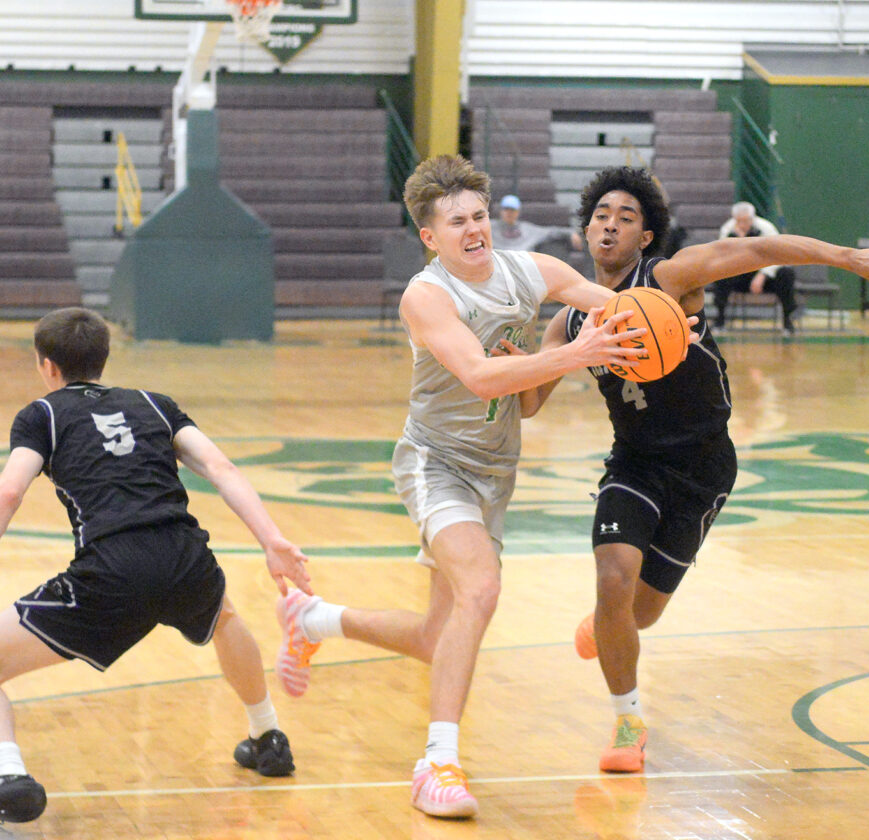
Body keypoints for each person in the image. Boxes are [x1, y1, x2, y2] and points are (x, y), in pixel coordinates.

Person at [271, 155, 646, 820]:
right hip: (435, 464)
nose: (473, 229)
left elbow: (616, 304)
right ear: (430, 236)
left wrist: (667, 320)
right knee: (481, 589)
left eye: (478, 216)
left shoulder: (532, 271)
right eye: (456, 222)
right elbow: (478, 375)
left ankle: (313, 618)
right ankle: (436, 764)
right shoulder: (427, 296)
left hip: (495, 474)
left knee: (433, 637)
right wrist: (573, 354)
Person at [522, 166, 869, 774]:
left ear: (646, 237)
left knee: (641, 612)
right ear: (586, 229)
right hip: (634, 462)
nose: (611, 225)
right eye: (601, 216)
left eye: (626, 217)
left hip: (704, 464)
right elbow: (527, 403)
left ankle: (607, 625)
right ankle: (627, 721)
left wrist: (842, 256)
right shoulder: (569, 321)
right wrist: (511, 364)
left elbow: (757, 250)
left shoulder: (668, 279)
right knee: (613, 576)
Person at [0, 308, 312, 823]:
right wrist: (272, 539)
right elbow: (220, 467)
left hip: (112, 568)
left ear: (47, 365)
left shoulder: (41, 415)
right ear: (103, 358)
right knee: (224, 619)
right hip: (185, 554)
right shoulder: (154, 403)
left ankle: (9, 775)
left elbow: (11, 491)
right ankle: (267, 735)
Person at [713, 202, 798, 335]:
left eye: (746, 221)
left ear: (752, 218)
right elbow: (723, 257)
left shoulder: (766, 228)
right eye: (739, 221)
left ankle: (787, 321)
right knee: (720, 275)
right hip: (739, 274)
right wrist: (740, 240)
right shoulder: (727, 229)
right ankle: (720, 321)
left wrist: (762, 275)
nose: (742, 224)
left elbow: (777, 255)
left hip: (764, 276)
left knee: (786, 273)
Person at [490, 193, 584, 252]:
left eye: (512, 210)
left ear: (518, 212)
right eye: (506, 209)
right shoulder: (489, 227)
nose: (509, 213)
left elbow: (551, 232)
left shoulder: (529, 230)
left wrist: (571, 232)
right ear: (501, 211)